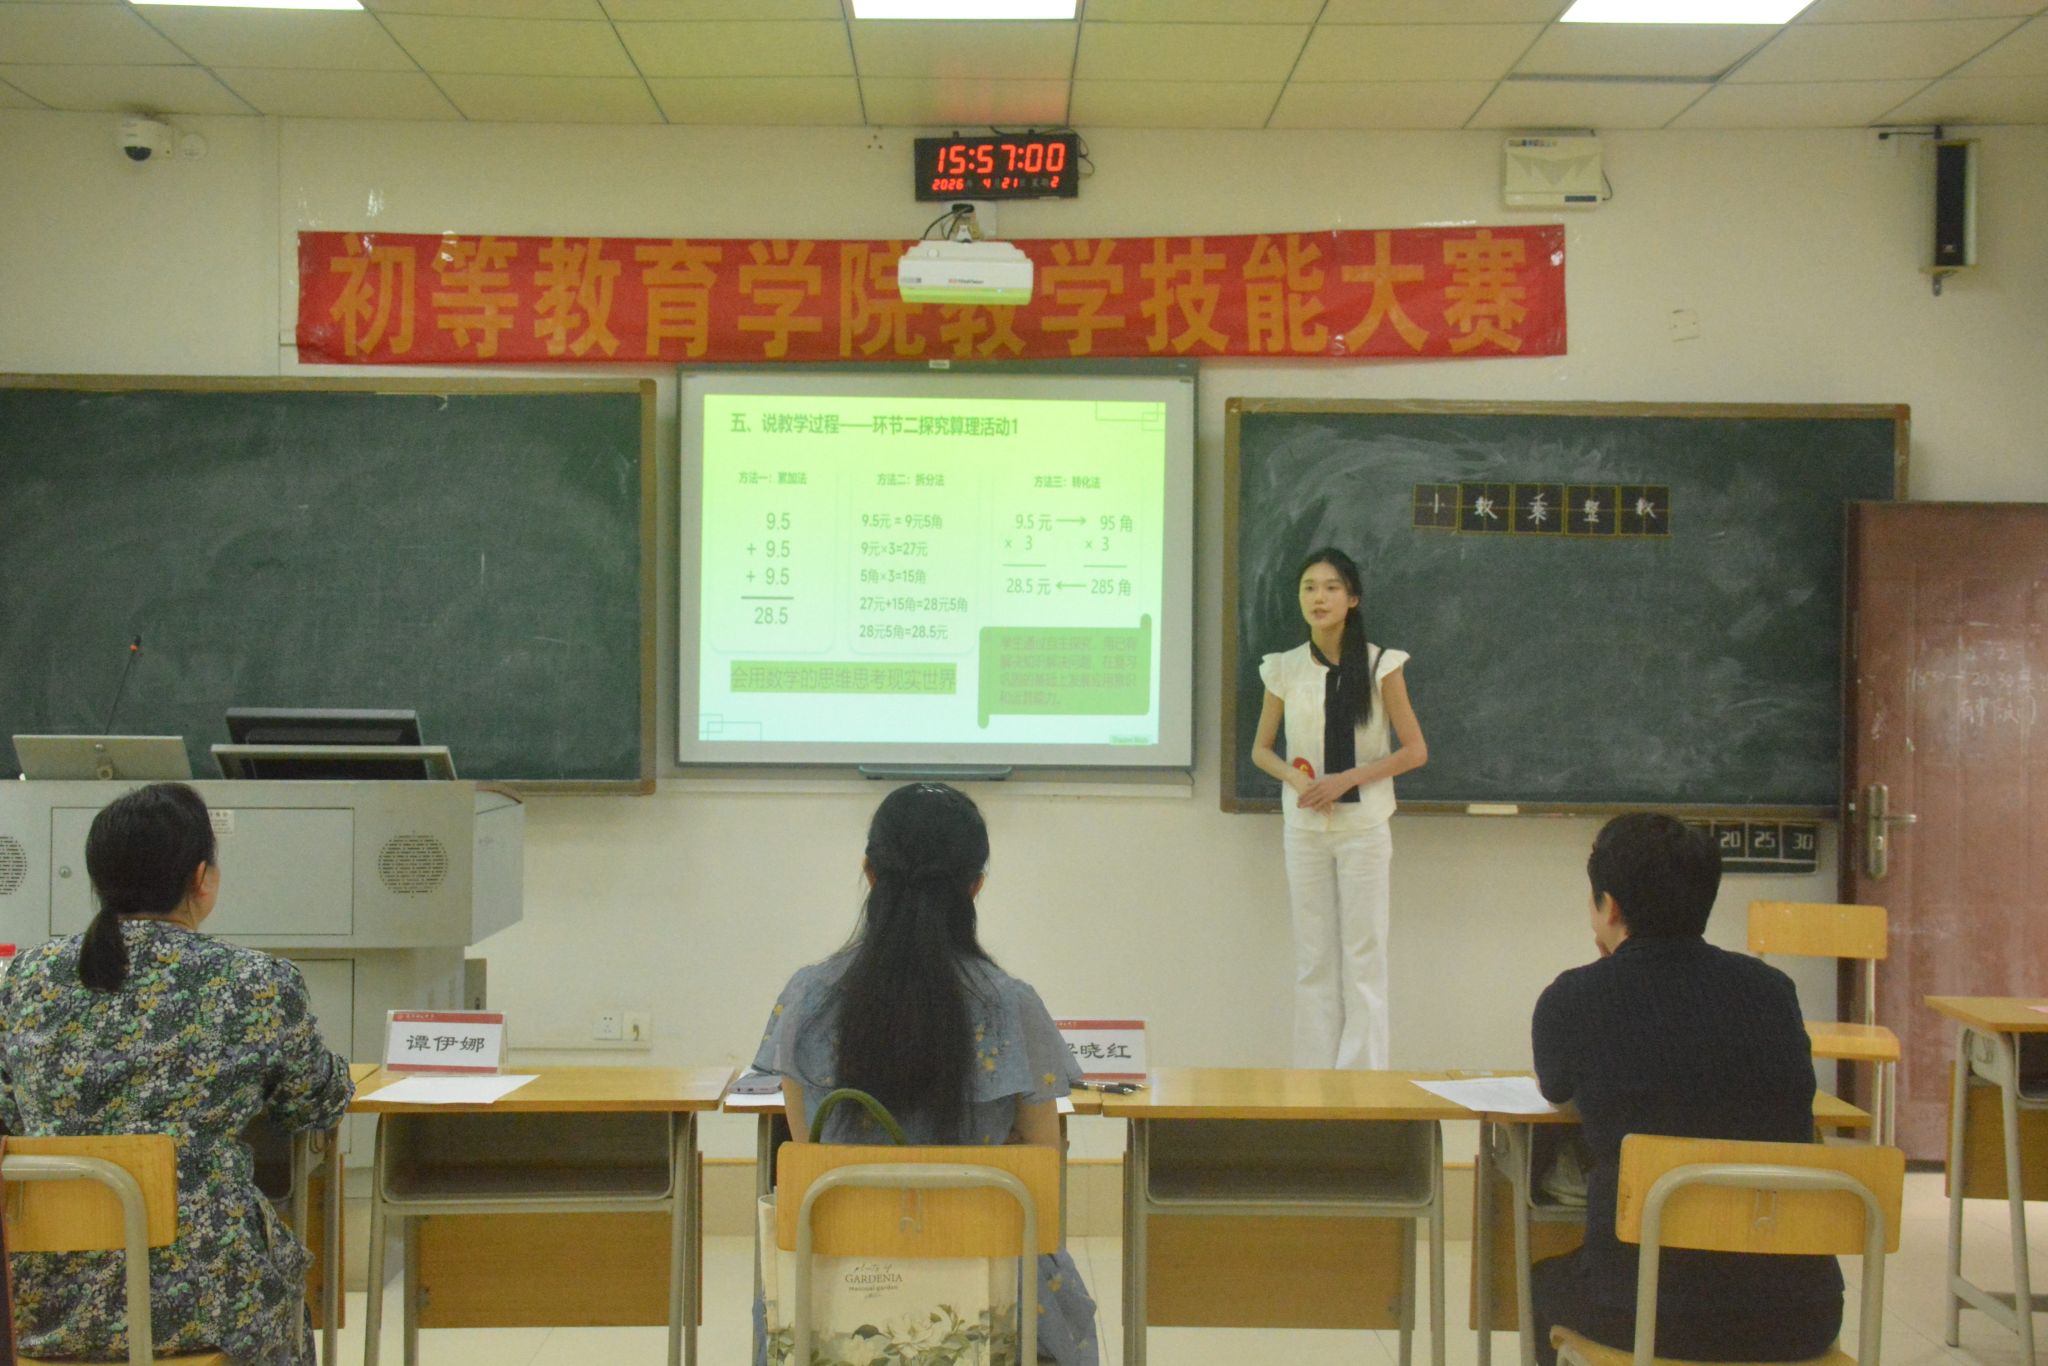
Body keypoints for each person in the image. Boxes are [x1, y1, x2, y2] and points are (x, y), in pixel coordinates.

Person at [0, 783, 354, 1366]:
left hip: (46, 1301)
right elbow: (316, 1101)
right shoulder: (254, 981)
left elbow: (8, 1113)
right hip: (207, 1301)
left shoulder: (24, 978)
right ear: (201, 878)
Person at [753, 782, 1098, 1365]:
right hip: (991, 1294)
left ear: (869, 873)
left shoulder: (808, 997)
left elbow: (810, 1148)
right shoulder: (1011, 1005)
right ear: (975, 885)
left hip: (837, 1296)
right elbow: (1041, 1168)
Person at [1528, 813, 1843, 1365]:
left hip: (1643, 1314)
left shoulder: (1573, 997)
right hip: (1799, 1315)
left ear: (1610, 907)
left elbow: (1557, 1092)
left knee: (1542, 1279)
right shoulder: (1773, 991)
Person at [1250, 546, 1426, 1069]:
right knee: (1314, 957)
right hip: (1304, 828)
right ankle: (1313, 1075)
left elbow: (1415, 751)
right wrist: (1295, 778)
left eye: (1330, 588)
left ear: (1352, 599)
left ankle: (1362, 1078)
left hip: (1364, 827)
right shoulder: (1283, 668)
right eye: (1308, 587)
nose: (1318, 597)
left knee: (1364, 954)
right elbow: (1261, 749)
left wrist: (1349, 779)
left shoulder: (1381, 664)